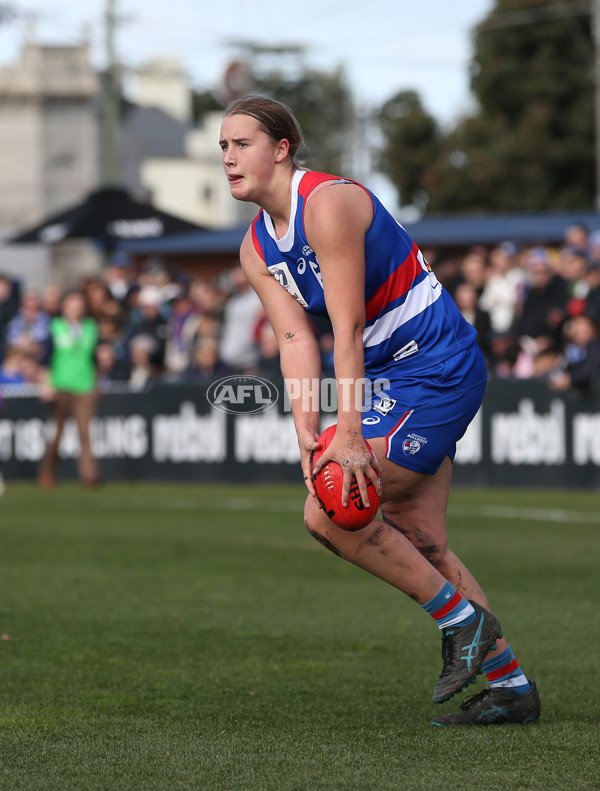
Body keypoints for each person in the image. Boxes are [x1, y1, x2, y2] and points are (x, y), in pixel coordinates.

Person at [219, 95, 540, 727]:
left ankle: (461, 624)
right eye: (223, 148)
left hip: (436, 366)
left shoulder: (329, 202)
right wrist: (309, 431)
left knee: (332, 508)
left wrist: (350, 432)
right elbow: (295, 340)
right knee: (421, 541)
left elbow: (347, 323)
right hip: (394, 377)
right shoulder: (256, 248)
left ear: (282, 148)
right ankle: (511, 688)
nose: (229, 158)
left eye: (242, 143)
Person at [38, 290, 100, 489]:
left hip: (85, 386)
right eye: (73, 303)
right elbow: (45, 359)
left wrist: (97, 382)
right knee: (57, 433)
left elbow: (94, 359)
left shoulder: (91, 327)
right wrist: (46, 383)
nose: (77, 307)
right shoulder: (55, 327)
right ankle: (48, 472)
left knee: (85, 432)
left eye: (80, 303)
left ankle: (90, 475)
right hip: (61, 385)